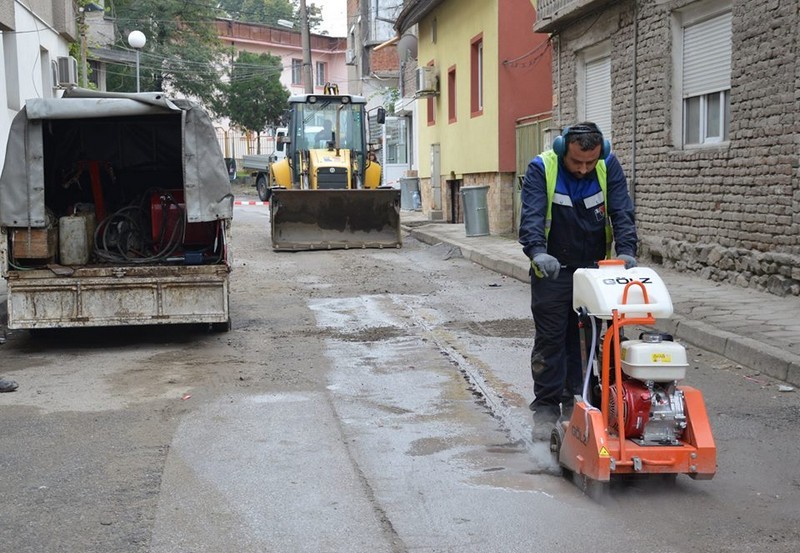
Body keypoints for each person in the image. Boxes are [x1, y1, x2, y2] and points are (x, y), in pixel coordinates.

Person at [518, 122, 638, 440]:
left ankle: (594, 404)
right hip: (553, 270)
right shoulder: (542, 168)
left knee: (604, 341)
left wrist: (626, 252)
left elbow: (623, 212)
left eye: (590, 162)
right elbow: (531, 215)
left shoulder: (607, 166)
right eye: (577, 162)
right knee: (552, 341)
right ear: (562, 151)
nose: (584, 169)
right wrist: (536, 252)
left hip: (599, 272)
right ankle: (546, 413)